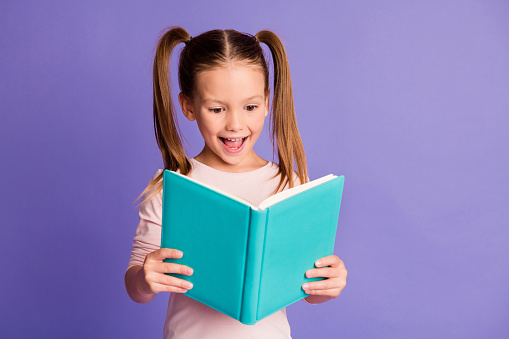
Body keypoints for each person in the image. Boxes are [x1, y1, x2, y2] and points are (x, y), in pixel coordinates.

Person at [124, 26, 347, 338]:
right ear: (188, 106)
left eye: (250, 107)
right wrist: (144, 280)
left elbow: (310, 290)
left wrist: (327, 284)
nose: (235, 124)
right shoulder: (171, 187)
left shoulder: (292, 185)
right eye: (217, 109)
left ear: (267, 102)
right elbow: (136, 285)